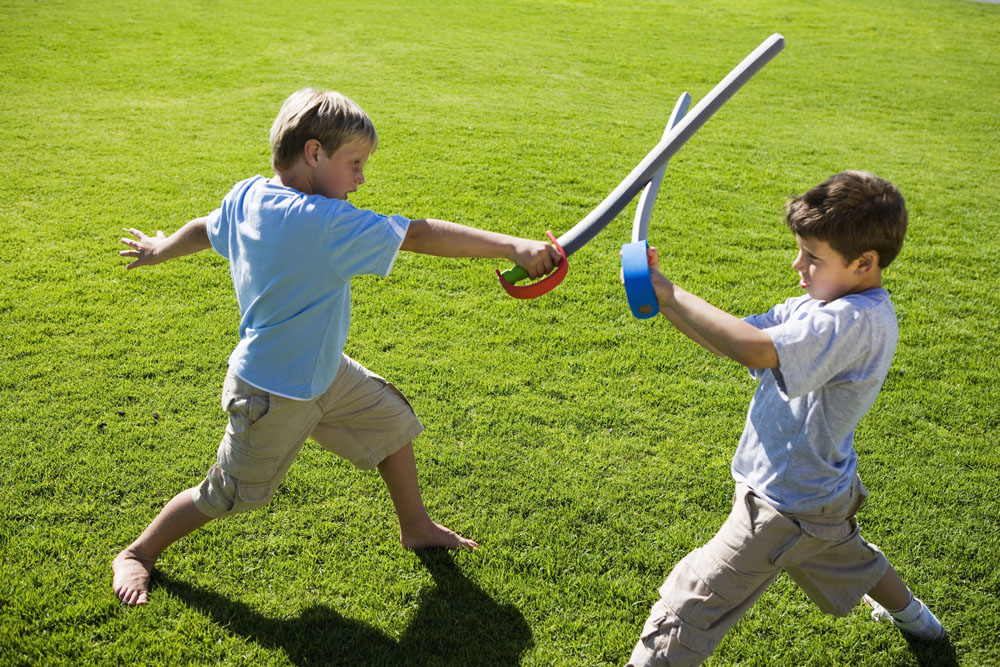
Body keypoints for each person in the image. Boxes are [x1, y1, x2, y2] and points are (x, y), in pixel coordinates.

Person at [113, 88, 562, 606]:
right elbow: (415, 235)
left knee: (391, 422)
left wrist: (158, 248)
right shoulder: (323, 222)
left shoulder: (248, 197)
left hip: (323, 371)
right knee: (228, 494)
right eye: (355, 163)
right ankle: (140, 553)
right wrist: (512, 246)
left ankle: (415, 526)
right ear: (313, 153)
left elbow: (204, 229)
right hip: (273, 391)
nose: (361, 178)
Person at [626, 171, 944, 666]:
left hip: (782, 507)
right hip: (820, 493)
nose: (798, 264)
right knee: (851, 559)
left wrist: (671, 291)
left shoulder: (852, 322)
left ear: (864, 263)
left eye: (813, 257)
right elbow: (737, 344)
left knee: (688, 604)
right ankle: (918, 620)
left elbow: (751, 346)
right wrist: (663, 299)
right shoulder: (819, 305)